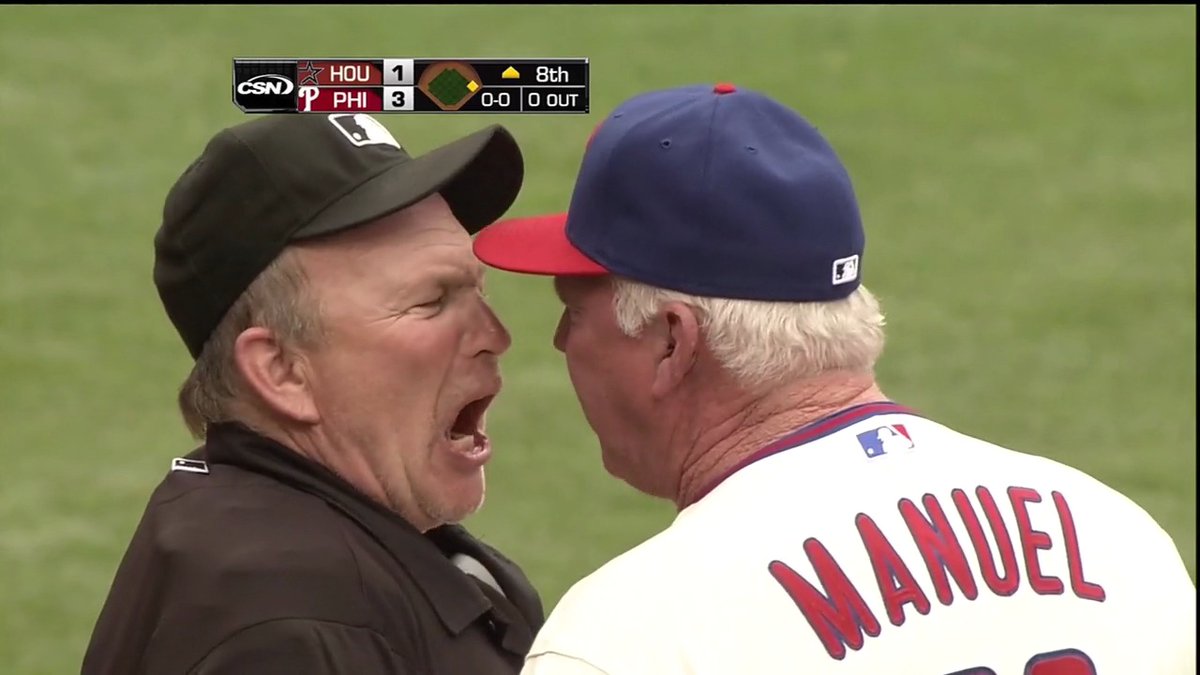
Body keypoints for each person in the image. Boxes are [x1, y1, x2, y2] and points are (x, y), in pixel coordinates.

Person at [472, 84, 1196, 674]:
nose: (560, 339)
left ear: (672, 342)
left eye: (574, 310)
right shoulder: (1117, 535)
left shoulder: (631, 636)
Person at [83, 113, 544, 674]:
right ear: (281, 371)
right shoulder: (295, 629)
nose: (496, 336)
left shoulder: (300, 537)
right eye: (431, 302)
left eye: (476, 290)